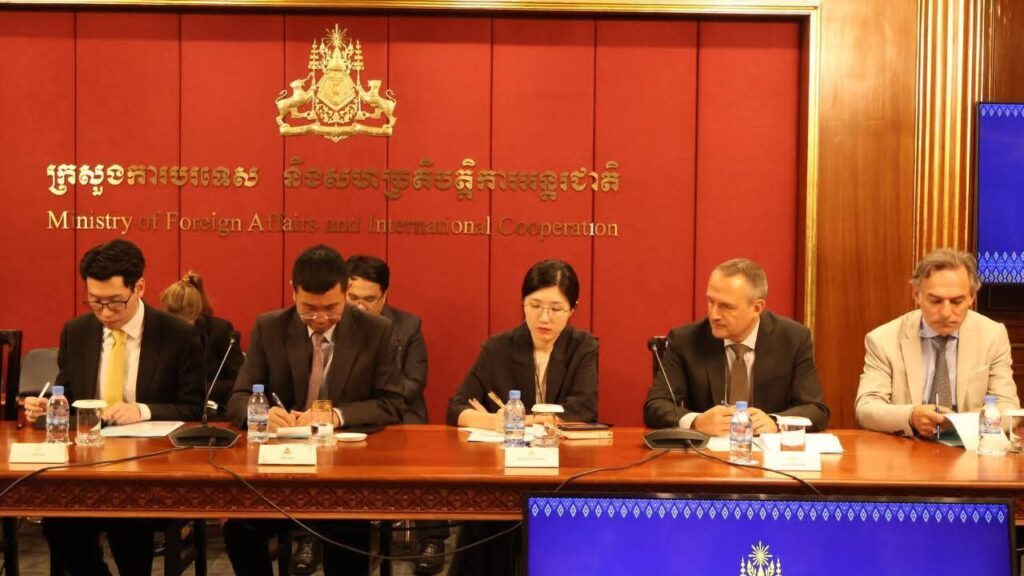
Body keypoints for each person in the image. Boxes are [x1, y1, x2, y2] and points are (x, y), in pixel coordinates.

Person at [24, 239, 204, 575]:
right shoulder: (77, 332)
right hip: (83, 467)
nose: (105, 313)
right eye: (96, 302)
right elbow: (71, 395)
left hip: (147, 469)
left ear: (139, 287)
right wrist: (52, 407)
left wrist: (142, 410)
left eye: (115, 302)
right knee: (58, 524)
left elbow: (194, 408)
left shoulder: (177, 335)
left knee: (129, 529)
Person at [223, 244, 405, 576]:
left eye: (331, 308)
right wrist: (260, 413)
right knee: (240, 529)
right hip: (280, 469)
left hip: (345, 471)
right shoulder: (270, 327)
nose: (320, 318)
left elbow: (392, 403)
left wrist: (335, 415)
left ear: (345, 293)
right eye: (309, 308)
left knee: (348, 533)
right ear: (293, 292)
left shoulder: (376, 331)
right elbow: (238, 396)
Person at [446, 259, 599, 576]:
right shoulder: (498, 348)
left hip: (561, 469)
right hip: (503, 469)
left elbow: (584, 409)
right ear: (523, 303)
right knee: (486, 519)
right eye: (535, 305)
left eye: (556, 308)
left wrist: (522, 420)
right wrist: (493, 422)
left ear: (573, 309)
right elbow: (456, 407)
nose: (544, 317)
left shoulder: (583, 346)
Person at [643, 258, 829, 435]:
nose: (714, 315)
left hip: (766, 450)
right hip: (708, 451)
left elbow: (815, 409)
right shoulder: (685, 340)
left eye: (726, 306)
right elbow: (655, 406)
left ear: (757, 308)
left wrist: (775, 422)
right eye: (711, 302)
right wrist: (696, 421)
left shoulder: (793, 338)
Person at [856, 248, 1021, 436]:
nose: (945, 313)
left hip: (971, 445)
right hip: (908, 445)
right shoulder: (883, 339)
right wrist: (911, 416)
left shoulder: (992, 335)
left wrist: (963, 421)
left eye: (956, 302)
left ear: (972, 297)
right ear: (917, 295)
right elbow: (865, 409)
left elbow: (1009, 408)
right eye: (935, 301)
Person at [160, 271, 244, 417]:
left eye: (183, 322)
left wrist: (201, 388)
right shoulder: (161, 331)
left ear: (196, 313)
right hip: (172, 412)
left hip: (216, 412)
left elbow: (240, 381)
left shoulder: (220, 331)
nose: (178, 328)